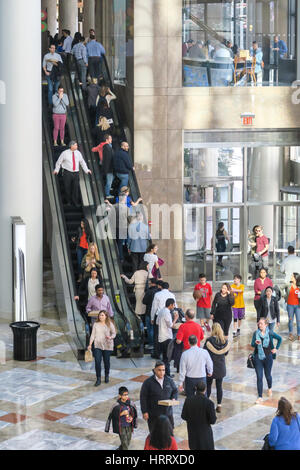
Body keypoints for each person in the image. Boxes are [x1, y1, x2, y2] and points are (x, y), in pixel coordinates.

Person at [140, 360, 178, 432]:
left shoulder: (169, 380)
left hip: (168, 413)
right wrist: (144, 411)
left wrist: (174, 398)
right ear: (155, 370)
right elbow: (143, 397)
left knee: (169, 434)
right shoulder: (148, 382)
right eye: (159, 370)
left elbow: (175, 391)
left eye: (163, 370)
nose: (162, 372)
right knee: (155, 435)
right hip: (154, 414)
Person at [251, 317, 282, 404]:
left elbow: (280, 339)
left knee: (268, 375)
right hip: (258, 357)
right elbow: (252, 344)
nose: (259, 325)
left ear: (266, 325)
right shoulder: (255, 333)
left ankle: (269, 388)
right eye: (259, 323)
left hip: (268, 357)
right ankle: (260, 396)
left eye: (261, 323)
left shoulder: (270, 333)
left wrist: (276, 348)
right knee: (259, 377)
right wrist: (255, 343)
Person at [53, 141, 92, 207]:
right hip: (67, 172)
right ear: (71, 146)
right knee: (67, 187)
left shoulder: (78, 153)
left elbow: (82, 162)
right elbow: (58, 162)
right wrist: (56, 170)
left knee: (75, 187)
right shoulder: (65, 153)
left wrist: (87, 170)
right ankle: (68, 202)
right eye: (75, 145)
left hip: (76, 173)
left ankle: (75, 202)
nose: (77, 146)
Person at [181, 381, 217, 450]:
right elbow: (213, 421)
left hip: (193, 434)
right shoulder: (209, 403)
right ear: (205, 389)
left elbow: (183, 416)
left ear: (195, 388)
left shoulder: (188, 400)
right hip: (205, 436)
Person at [204, 323, 230, 413]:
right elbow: (226, 353)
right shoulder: (225, 341)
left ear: (213, 330)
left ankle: (207, 403)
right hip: (221, 367)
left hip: (210, 367)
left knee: (208, 385)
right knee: (219, 386)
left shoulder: (209, 341)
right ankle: (219, 405)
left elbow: (204, 352)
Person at [88, 310, 116, 386]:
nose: (101, 317)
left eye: (102, 315)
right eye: (100, 315)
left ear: (106, 316)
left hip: (107, 345)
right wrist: (90, 344)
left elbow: (114, 333)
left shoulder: (109, 324)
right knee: (97, 362)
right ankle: (98, 378)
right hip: (97, 345)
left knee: (106, 362)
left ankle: (107, 375)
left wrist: (110, 337)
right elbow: (93, 335)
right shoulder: (96, 324)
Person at [105, 386, 138, 451]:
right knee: (125, 443)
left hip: (129, 426)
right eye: (124, 395)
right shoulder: (116, 405)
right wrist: (121, 413)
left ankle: (120, 449)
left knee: (128, 441)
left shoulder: (131, 404)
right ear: (120, 396)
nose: (126, 396)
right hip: (121, 427)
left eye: (127, 394)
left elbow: (134, 414)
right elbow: (111, 416)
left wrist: (132, 418)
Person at [156, 299, 179, 376]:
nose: (174, 307)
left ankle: (165, 373)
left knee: (164, 357)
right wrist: (175, 318)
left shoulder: (161, 311)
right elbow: (171, 325)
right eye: (173, 305)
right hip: (166, 337)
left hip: (161, 337)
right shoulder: (166, 313)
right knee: (167, 358)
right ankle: (167, 375)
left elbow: (157, 322)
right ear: (170, 305)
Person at [143, 278, 159, 350]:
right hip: (158, 313)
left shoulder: (149, 291)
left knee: (150, 329)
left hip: (149, 312)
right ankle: (156, 344)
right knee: (155, 330)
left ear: (152, 283)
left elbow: (144, 301)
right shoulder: (159, 291)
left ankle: (151, 344)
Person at [286, 272, 300, 341]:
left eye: (292, 276)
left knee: (298, 320)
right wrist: (284, 296)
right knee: (290, 320)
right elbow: (280, 288)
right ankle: (290, 334)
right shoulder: (289, 285)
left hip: (298, 306)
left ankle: (299, 334)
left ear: (296, 278)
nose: (291, 277)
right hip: (290, 305)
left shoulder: (299, 287)